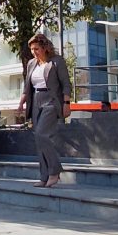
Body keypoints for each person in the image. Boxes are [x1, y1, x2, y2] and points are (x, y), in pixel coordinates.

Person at [17, 33, 73, 188]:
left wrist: (67, 102)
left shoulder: (57, 61)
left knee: (42, 134)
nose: (34, 52)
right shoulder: (31, 64)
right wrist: (22, 103)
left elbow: (66, 84)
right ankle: (44, 176)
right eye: (32, 49)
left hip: (51, 100)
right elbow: (27, 86)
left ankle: (54, 171)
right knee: (38, 139)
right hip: (35, 100)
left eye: (36, 48)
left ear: (45, 47)